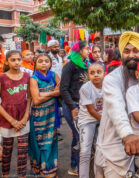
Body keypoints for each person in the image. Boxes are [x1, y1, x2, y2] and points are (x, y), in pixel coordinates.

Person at [94, 32, 139, 178]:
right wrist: (127, 134)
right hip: (114, 147)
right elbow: (116, 109)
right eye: (127, 51)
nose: (131, 55)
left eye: (136, 51)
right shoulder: (112, 79)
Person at [60, 40, 90, 176]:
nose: (89, 51)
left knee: (77, 136)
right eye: (87, 49)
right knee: (81, 136)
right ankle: (79, 168)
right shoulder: (69, 66)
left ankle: (74, 166)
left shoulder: (85, 65)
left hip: (84, 106)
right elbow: (63, 89)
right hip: (72, 105)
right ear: (79, 51)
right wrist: (72, 107)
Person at [0, 50, 31, 178]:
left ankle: (21, 175)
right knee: (7, 150)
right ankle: (5, 175)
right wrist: (12, 121)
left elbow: (29, 98)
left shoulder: (27, 76)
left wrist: (24, 118)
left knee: (23, 151)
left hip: (23, 117)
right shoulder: (2, 78)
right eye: (13, 60)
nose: (17, 62)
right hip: (6, 118)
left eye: (19, 59)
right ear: (7, 61)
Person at [29, 53, 61, 177]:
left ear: (50, 63)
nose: (43, 63)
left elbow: (60, 92)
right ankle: (39, 168)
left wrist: (42, 94)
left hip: (51, 115)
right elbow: (35, 100)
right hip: (38, 117)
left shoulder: (54, 75)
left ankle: (49, 170)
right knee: (37, 143)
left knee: (51, 142)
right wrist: (53, 92)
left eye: (46, 61)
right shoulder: (33, 78)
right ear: (35, 64)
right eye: (40, 61)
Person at [78, 63, 105, 178]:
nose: (96, 75)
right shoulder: (85, 88)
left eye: (99, 72)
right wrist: (107, 122)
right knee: (85, 152)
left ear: (104, 73)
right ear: (88, 75)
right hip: (87, 120)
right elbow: (92, 111)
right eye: (92, 73)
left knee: (102, 149)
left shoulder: (108, 86)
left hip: (103, 119)